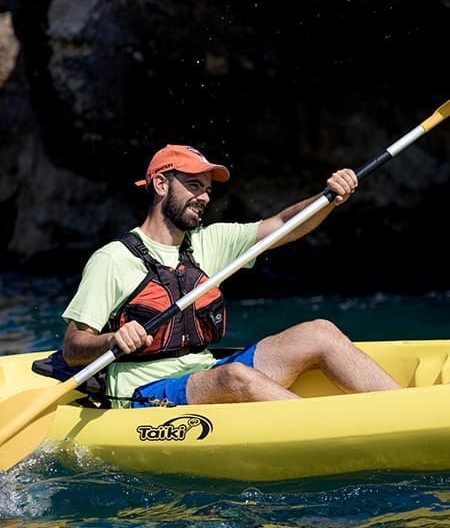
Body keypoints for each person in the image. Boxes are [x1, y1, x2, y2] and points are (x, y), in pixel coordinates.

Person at [62, 144, 400, 408]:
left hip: (203, 375)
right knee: (235, 375)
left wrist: (329, 199)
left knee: (320, 332)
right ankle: (341, 429)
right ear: (161, 184)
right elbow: (73, 347)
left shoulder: (210, 242)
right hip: (144, 393)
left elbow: (283, 225)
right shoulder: (112, 259)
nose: (205, 197)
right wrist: (114, 340)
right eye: (194, 185)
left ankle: (406, 410)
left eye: (208, 189)